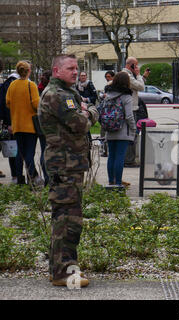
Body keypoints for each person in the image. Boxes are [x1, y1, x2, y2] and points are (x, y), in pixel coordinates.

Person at [38, 54, 99, 287]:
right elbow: (81, 124)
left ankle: (63, 268)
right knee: (67, 220)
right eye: (70, 68)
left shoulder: (65, 93)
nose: (75, 72)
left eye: (76, 68)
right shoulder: (58, 95)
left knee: (68, 217)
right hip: (64, 166)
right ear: (56, 71)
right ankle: (62, 272)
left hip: (69, 164)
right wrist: (91, 111)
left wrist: (84, 110)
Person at [6, 61, 42, 185]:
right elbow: (36, 104)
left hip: (17, 124)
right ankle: (32, 178)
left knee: (19, 154)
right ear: (29, 71)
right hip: (30, 126)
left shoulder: (12, 85)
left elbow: (8, 102)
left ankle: (19, 179)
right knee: (29, 153)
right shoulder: (31, 85)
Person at [104, 71, 136, 187]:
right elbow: (129, 116)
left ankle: (110, 181)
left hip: (110, 129)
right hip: (123, 131)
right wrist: (133, 128)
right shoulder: (126, 96)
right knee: (120, 157)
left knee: (111, 156)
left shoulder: (108, 94)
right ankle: (118, 183)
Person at [122, 57, 149, 167]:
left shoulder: (128, 75)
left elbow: (137, 86)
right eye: (136, 65)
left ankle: (129, 158)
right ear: (131, 65)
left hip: (131, 108)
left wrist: (143, 77)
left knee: (132, 134)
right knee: (131, 134)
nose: (137, 68)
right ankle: (129, 160)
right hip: (130, 109)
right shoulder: (126, 75)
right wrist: (138, 75)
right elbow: (140, 87)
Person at [0, 69, 19, 183]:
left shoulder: (5, 84)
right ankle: (20, 175)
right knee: (20, 150)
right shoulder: (16, 83)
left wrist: (6, 123)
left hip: (10, 123)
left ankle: (15, 176)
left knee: (13, 149)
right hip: (18, 123)